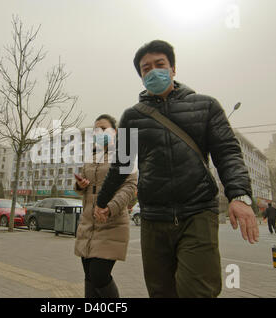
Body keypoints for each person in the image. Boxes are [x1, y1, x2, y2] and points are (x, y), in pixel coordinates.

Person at [94, 40, 259, 298]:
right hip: (153, 219)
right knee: (161, 292)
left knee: (197, 291)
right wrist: (101, 201)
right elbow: (121, 166)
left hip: (197, 212)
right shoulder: (132, 117)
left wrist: (239, 195)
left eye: (160, 64)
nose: (153, 71)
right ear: (141, 76)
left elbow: (227, 152)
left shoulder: (206, 106)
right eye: (145, 68)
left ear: (173, 69)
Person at [74, 114, 137, 298]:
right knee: (89, 277)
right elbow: (83, 188)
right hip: (88, 223)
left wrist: (110, 207)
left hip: (111, 222)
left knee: (99, 276)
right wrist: (80, 185)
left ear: (115, 132)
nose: (98, 133)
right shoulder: (92, 155)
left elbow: (130, 186)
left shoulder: (124, 154)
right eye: (95, 130)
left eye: (103, 128)